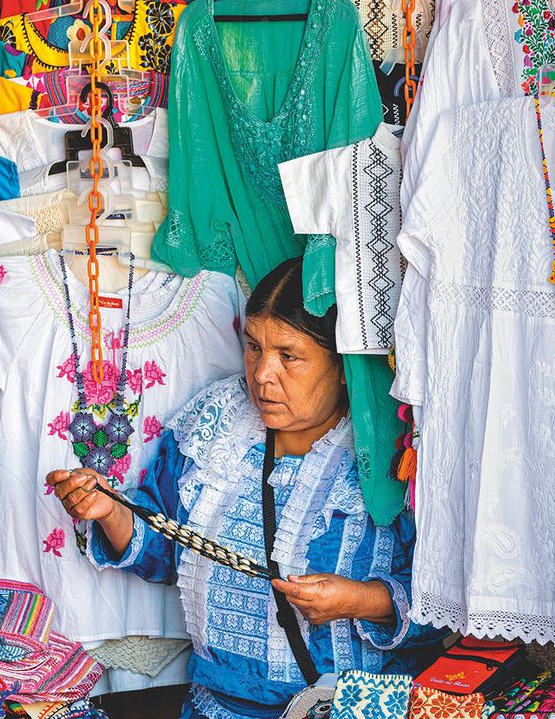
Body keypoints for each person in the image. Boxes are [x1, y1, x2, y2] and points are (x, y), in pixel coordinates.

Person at [47, 257, 441, 719]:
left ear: (341, 366)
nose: (261, 374)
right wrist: (108, 510)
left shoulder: (394, 454)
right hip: (217, 708)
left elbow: (449, 604)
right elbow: (168, 547)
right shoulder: (215, 425)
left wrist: (361, 599)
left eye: (288, 356)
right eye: (253, 347)